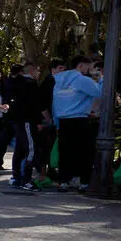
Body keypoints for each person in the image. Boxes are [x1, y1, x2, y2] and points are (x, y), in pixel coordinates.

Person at [52, 55, 101, 192]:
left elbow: (54, 101)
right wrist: (99, 78)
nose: (89, 70)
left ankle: (64, 181)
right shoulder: (81, 80)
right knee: (84, 152)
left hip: (63, 120)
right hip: (80, 119)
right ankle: (84, 182)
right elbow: (100, 92)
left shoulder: (58, 79)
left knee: (66, 152)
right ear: (80, 66)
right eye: (88, 67)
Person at [7, 62, 46, 192]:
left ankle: (16, 176)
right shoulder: (30, 84)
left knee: (19, 149)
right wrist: (40, 120)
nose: (39, 73)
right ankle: (27, 179)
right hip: (28, 120)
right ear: (32, 70)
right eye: (38, 70)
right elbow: (36, 104)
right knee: (31, 149)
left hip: (18, 120)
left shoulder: (13, 83)